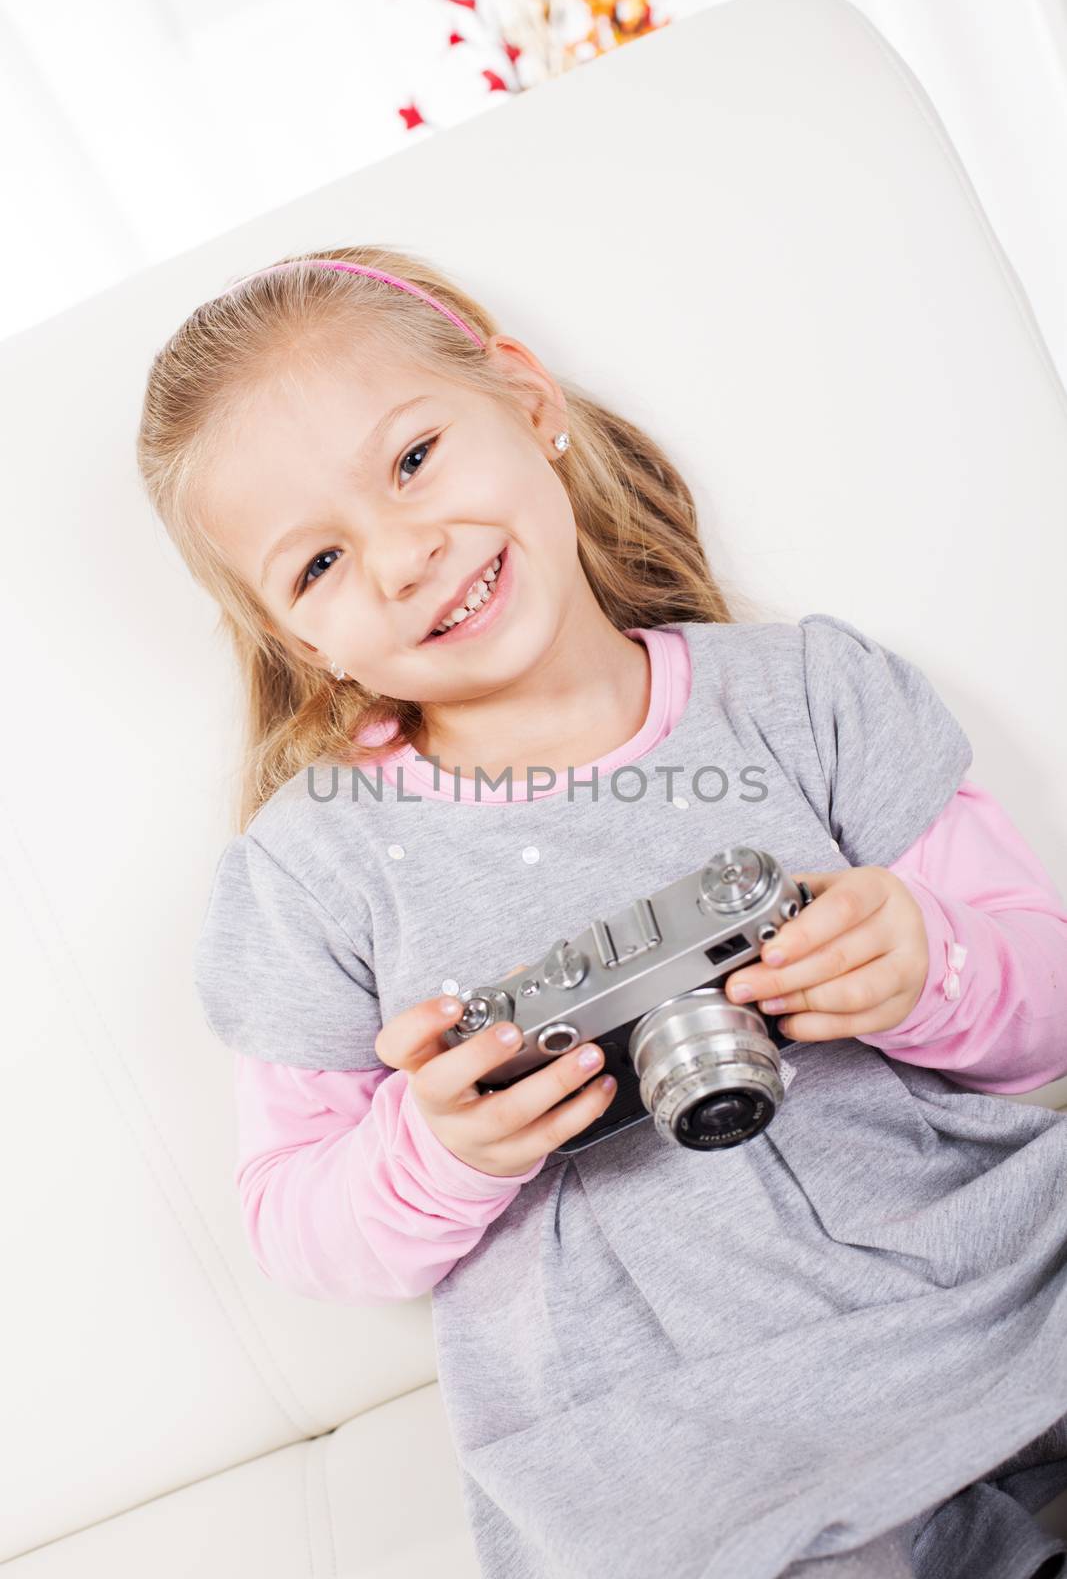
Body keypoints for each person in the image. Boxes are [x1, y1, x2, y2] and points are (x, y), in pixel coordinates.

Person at [137, 248, 1067, 1579]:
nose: (405, 559)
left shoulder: (808, 693)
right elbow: (295, 1218)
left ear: (526, 404)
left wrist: (928, 960)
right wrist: (441, 1147)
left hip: (1002, 1286)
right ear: (301, 644)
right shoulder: (315, 872)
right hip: (677, 1442)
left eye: (412, 461)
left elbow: (1049, 1005)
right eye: (320, 563)